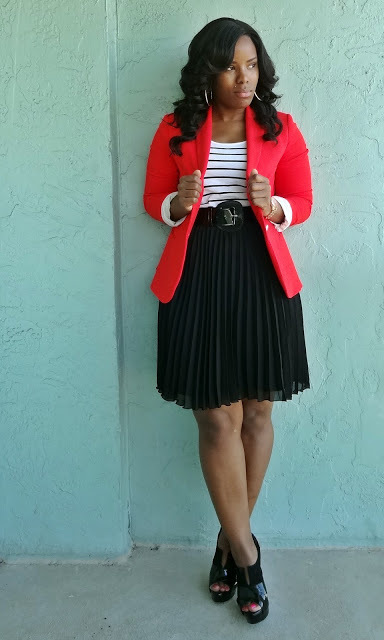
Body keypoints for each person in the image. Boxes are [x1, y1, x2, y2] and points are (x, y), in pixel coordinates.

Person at [143, 17, 313, 624]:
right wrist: (174, 204)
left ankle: (224, 548)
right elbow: (154, 199)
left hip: (261, 271)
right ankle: (247, 553)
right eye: (231, 66)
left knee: (258, 411)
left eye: (252, 65)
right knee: (218, 418)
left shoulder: (281, 129)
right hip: (199, 270)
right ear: (205, 72)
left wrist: (279, 208)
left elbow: (303, 200)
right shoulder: (176, 128)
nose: (245, 78)